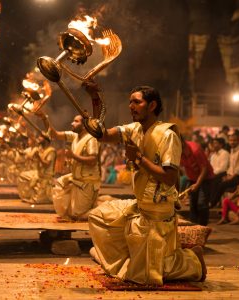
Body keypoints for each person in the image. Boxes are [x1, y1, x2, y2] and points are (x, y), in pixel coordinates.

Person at [86, 84, 206, 285]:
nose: (131, 106)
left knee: (148, 276)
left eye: (137, 102)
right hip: (140, 206)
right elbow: (103, 135)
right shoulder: (133, 129)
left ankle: (193, 262)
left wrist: (139, 158)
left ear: (152, 106)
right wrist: (95, 100)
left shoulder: (168, 135)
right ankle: (133, 261)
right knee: (98, 217)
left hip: (158, 212)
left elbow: (169, 178)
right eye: (130, 102)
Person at [49, 114, 101, 221]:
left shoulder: (91, 139)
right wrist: (44, 118)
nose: (72, 123)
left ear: (84, 125)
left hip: (87, 183)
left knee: (79, 216)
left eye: (76, 121)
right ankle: (72, 211)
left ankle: (101, 210)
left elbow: (93, 160)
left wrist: (73, 156)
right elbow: (54, 134)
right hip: (75, 179)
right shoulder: (74, 136)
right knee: (59, 183)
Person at [180, 138, 214, 226]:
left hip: (205, 178)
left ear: (182, 142)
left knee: (202, 204)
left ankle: (202, 229)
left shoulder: (195, 149)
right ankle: (194, 229)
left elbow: (204, 169)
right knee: (193, 205)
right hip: (192, 178)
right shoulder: (176, 150)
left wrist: (197, 184)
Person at [210, 132, 239, 207]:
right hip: (232, 175)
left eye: (234, 140)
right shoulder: (232, 151)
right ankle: (211, 201)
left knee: (222, 184)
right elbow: (231, 166)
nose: (232, 142)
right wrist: (228, 174)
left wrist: (231, 177)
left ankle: (212, 203)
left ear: (238, 141)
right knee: (215, 180)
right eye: (230, 140)